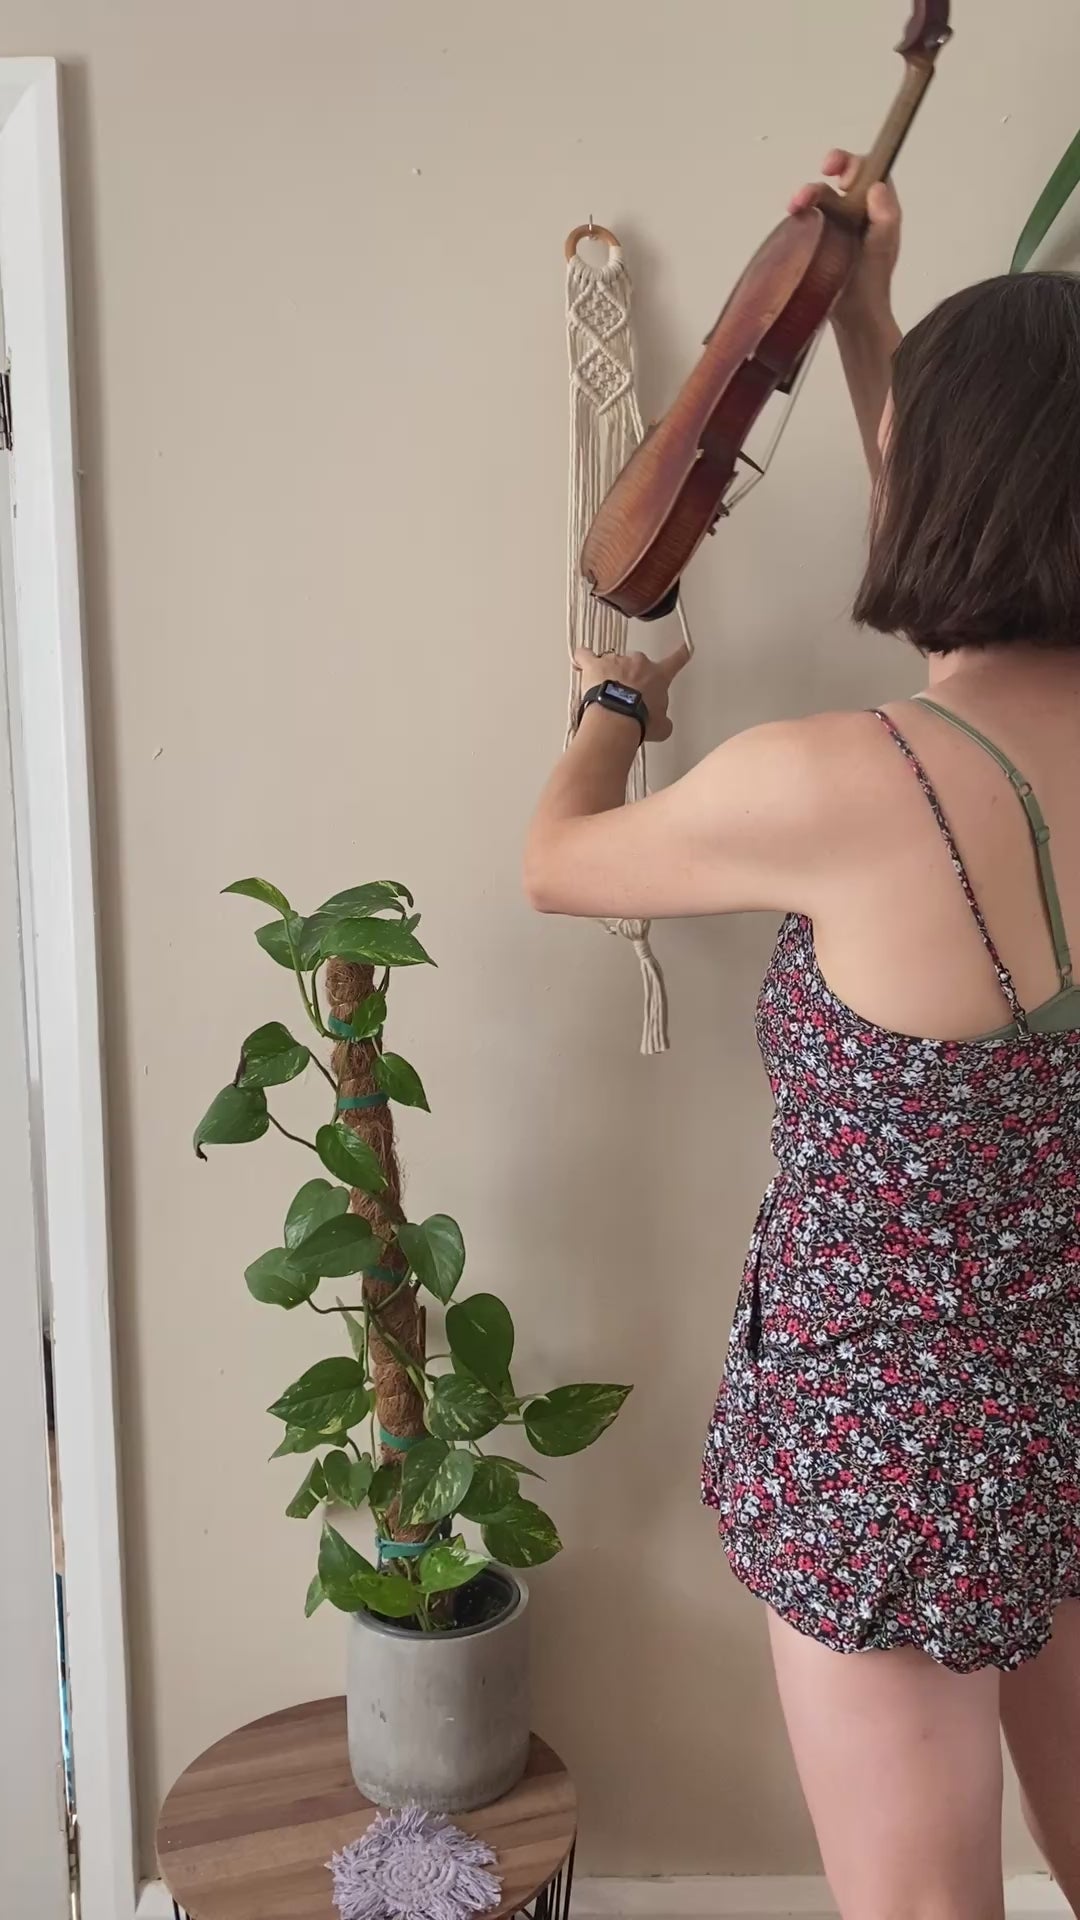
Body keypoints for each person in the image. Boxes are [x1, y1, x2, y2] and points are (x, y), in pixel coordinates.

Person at [524, 150, 1080, 1920]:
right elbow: (977, 525)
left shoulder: (840, 786)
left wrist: (614, 704)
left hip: (889, 1460)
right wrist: (863, 325)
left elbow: (557, 864)